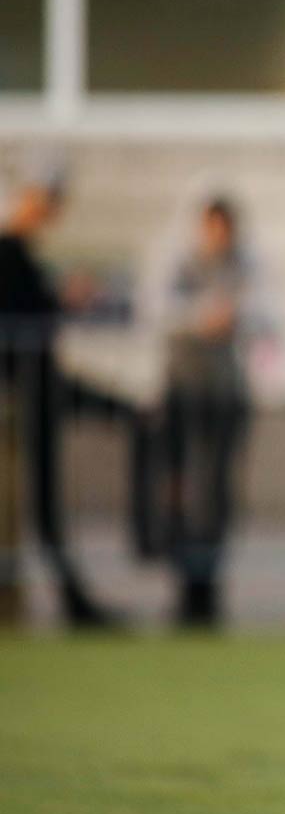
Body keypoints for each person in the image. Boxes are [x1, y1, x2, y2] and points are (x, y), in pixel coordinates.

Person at [0, 164, 118, 628]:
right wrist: (61, 300)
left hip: (36, 391)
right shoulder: (8, 252)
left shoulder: (21, 253)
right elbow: (24, 319)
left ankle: (65, 599)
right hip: (18, 398)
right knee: (17, 507)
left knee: (39, 507)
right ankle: (44, 601)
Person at [154, 196, 260, 628]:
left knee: (216, 493)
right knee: (182, 489)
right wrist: (203, 317)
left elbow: (263, 311)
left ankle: (209, 583)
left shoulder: (246, 266)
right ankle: (185, 586)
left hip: (223, 392)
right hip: (184, 391)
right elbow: (161, 308)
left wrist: (233, 317)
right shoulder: (182, 263)